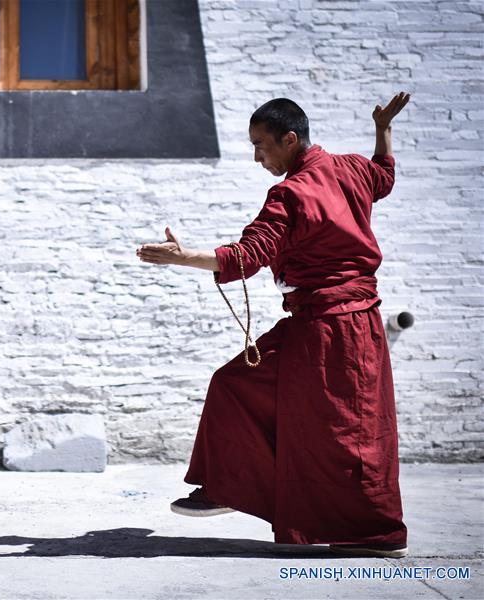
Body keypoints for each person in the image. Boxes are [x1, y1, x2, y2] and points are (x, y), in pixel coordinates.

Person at [136, 93, 411, 558]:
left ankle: (375, 531)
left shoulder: (291, 193)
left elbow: (247, 255)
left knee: (348, 431)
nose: (257, 157)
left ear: (290, 139)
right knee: (248, 389)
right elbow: (383, 175)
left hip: (327, 330)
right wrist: (382, 129)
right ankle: (229, 485)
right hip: (347, 324)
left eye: (262, 146)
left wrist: (183, 259)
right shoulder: (349, 168)